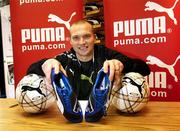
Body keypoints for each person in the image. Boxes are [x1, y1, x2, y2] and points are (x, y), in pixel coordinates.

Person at [27, 20, 150, 122]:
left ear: (94, 38)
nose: (82, 42)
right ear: (70, 41)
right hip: (74, 114)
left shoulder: (106, 54)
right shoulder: (64, 58)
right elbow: (30, 70)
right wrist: (46, 63)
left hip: (106, 116)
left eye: (87, 36)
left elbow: (144, 69)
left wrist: (121, 64)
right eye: (76, 38)